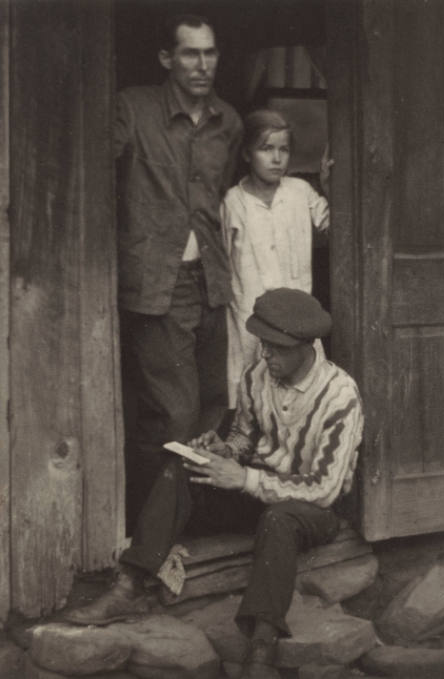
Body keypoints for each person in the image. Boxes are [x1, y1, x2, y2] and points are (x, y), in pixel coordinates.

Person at [65, 288, 363, 679]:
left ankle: (262, 642)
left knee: (279, 520)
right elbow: (245, 438)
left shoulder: (340, 394)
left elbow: (325, 488)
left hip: (310, 511)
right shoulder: (259, 375)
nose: (265, 355)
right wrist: (223, 450)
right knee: (183, 465)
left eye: (275, 348)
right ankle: (131, 585)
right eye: (262, 345)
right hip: (258, 489)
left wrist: (245, 477)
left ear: (305, 347)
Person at [116, 14, 243, 520]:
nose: (202, 64)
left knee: (213, 406)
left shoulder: (228, 122)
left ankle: (190, 523)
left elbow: (216, 197)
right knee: (172, 414)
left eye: (210, 53)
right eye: (191, 53)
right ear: (167, 59)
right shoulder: (133, 108)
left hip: (211, 283)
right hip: (156, 287)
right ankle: (155, 535)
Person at [221, 108, 332, 407]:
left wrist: (330, 186)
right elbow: (221, 259)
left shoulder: (300, 192)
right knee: (255, 395)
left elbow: (334, 228)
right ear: (247, 154)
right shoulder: (234, 202)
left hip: (297, 318)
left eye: (284, 150)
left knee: (303, 395)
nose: (276, 158)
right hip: (249, 317)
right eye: (266, 149)